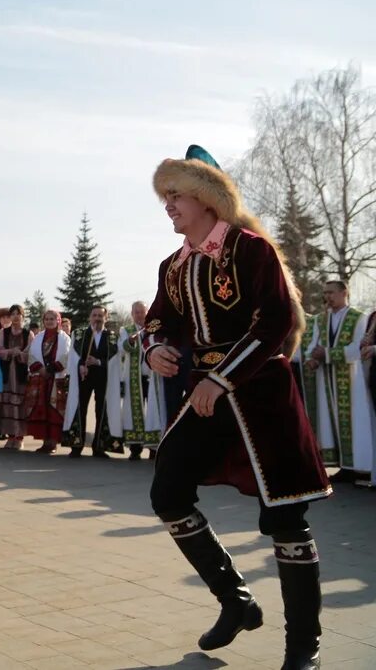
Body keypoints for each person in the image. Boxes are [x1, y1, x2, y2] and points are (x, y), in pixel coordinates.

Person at [144, 145, 330, 670]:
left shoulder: (250, 251)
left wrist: (221, 378)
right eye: (166, 197)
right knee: (168, 491)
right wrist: (155, 347)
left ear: (207, 199)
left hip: (262, 398)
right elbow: (159, 321)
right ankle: (236, 600)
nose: (168, 206)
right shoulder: (173, 266)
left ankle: (303, 651)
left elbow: (273, 324)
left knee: (287, 517)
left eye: (176, 195)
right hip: (207, 397)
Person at [302, 280, 372, 483]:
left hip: (352, 378)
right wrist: (312, 358)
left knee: (355, 421)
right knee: (330, 421)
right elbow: (313, 344)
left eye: (331, 292)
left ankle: (361, 466)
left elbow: (356, 349)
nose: (327, 297)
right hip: (327, 377)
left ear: (344, 292)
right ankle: (343, 465)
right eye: (325, 293)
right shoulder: (321, 320)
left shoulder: (359, 318)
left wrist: (327, 354)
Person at [64, 305, 121, 458]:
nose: (97, 318)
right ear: (90, 317)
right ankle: (77, 445)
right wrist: (81, 365)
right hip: (84, 377)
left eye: (100, 316)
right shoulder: (79, 334)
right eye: (94, 315)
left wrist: (98, 362)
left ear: (106, 318)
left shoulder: (113, 337)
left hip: (104, 378)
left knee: (101, 410)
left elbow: (115, 360)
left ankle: (99, 446)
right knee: (80, 408)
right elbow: (73, 357)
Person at [117, 301, 166, 460]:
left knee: (154, 411)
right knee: (133, 412)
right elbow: (121, 349)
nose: (139, 315)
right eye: (136, 312)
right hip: (134, 377)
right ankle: (135, 448)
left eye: (142, 312)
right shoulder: (126, 330)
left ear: (147, 312)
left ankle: (154, 447)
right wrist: (130, 341)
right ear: (132, 314)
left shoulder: (155, 329)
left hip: (153, 377)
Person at [24, 310, 71, 453]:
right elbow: (31, 356)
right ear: (43, 321)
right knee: (42, 410)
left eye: (53, 318)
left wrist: (50, 369)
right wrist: (41, 369)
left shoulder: (65, 339)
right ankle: (45, 441)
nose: (49, 321)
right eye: (47, 319)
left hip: (56, 378)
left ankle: (53, 442)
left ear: (58, 320)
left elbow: (66, 356)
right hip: (41, 379)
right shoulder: (38, 338)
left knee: (54, 411)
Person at [0, 303, 32, 449]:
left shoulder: (28, 334)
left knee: (20, 404)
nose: (16, 316)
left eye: (19, 314)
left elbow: (31, 353)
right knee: (7, 405)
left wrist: (21, 354)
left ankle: (19, 437)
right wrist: (10, 351)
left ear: (23, 316)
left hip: (20, 372)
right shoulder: (3, 333)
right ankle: (10, 436)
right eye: (13, 314)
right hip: (6, 371)